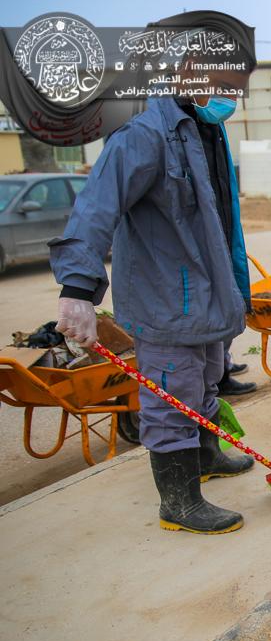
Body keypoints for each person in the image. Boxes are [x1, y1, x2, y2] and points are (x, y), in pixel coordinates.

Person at [50, 68, 256, 535]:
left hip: (207, 298)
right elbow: (95, 208)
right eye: (223, 84)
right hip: (167, 299)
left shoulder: (207, 129)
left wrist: (236, 289)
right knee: (171, 398)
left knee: (205, 381)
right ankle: (179, 503)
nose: (230, 95)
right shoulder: (143, 136)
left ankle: (205, 456)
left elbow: (223, 220)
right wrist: (78, 290)